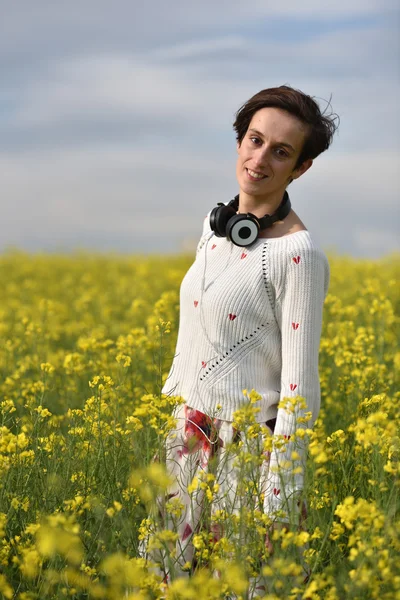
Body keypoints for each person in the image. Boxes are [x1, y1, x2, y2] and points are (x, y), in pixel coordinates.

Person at [140, 85, 338, 596]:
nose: (260, 159)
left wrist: (280, 495)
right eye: (254, 140)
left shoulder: (298, 254)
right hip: (189, 438)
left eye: (281, 151)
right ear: (238, 141)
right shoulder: (215, 229)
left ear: (301, 168)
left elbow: (300, 389)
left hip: (244, 457)